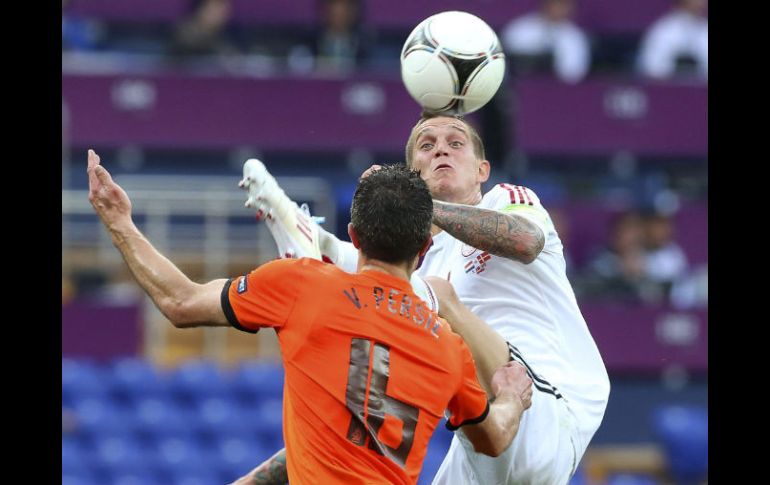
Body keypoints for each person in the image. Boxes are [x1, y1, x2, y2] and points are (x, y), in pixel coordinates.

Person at [86, 151, 534, 485]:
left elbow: (180, 302)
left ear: (354, 237)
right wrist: (511, 395)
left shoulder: (302, 285)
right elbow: (493, 438)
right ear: (423, 250)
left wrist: (119, 221)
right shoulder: (447, 345)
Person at [237, 113, 611, 485]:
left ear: (482, 170)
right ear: (413, 174)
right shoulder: (414, 261)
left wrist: (411, 204)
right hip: (483, 435)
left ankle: (324, 251)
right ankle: (322, 249)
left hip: (549, 403)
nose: (440, 151)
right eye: (427, 146)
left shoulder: (508, 199)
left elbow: (527, 242)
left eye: (455, 143)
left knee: (432, 294)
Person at [500, 0, 591, 83]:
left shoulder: (575, 38)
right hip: (522, 88)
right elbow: (507, 62)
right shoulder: (519, 29)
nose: (558, 8)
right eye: (555, 3)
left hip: (558, 93)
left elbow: (575, 73)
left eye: (563, 4)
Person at [636, 0, 708, 80]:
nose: (701, 2)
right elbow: (649, 67)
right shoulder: (663, 30)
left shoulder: (705, 29)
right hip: (665, 90)